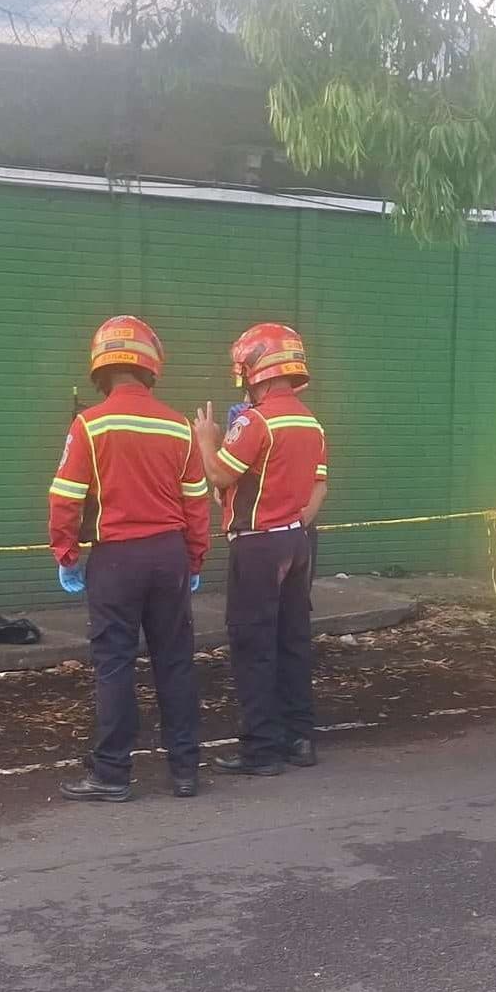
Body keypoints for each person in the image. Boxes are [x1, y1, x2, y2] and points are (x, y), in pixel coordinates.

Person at [49, 316, 211, 802]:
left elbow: (65, 497)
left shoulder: (90, 425)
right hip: (168, 556)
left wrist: (67, 554)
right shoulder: (180, 426)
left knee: (115, 664)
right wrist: (195, 560)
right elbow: (196, 502)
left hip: (116, 559)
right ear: (150, 367)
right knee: (176, 662)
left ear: (101, 369)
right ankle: (186, 771)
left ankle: (113, 773)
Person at [194, 323, 328, 776]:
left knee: (254, 645)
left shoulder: (255, 421)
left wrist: (207, 437)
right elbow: (318, 488)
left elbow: (218, 475)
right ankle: (299, 738)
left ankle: (260, 750)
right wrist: (290, 521)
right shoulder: (311, 422)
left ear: (255, 370)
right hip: (296, 540)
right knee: (292, 640)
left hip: (257, 547)